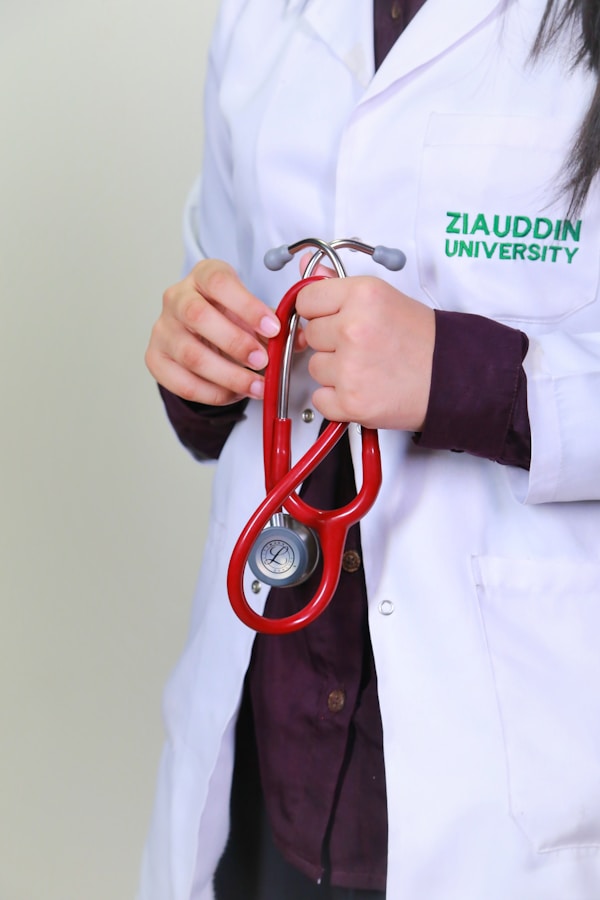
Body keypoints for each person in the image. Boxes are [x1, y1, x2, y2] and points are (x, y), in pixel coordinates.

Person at [139, 1, 600, 898]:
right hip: (273, 754)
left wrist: (463, 375)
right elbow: (224, 291)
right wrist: (196, 360)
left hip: (519, 783)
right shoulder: (260, 19)